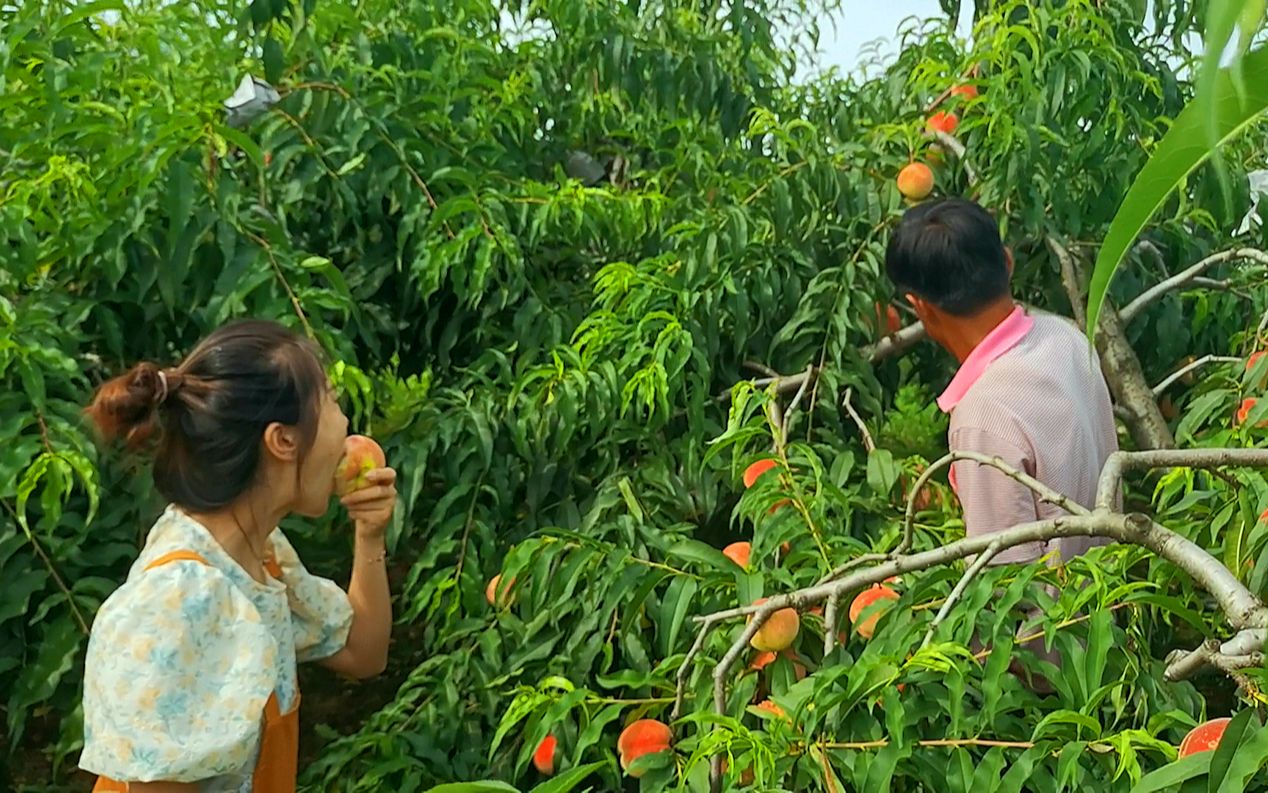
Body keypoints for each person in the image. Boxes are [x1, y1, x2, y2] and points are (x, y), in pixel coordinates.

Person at [78, 319, 397, 792]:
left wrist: (369, 535)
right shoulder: (178, 602)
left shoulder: (259, 555)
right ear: (283, 440)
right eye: (330, 400)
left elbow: (361, 653)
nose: (346, 424)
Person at [884, 197, 1119, 687]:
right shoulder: (1068, 337)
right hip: (1112, 624)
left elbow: (1002, 594)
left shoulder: (984, 417)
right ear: (1006, 262)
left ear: (919, 306)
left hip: (1053, 683)